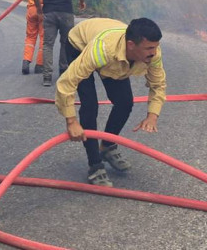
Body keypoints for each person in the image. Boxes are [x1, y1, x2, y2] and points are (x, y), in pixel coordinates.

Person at [54, 17, 166, 187]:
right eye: (149, 48)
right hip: (80, 44)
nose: (154, 52)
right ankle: (95, 165)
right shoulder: (101, 50)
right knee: (90, 105)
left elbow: (158, 85)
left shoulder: (152, 53)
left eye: (155, 47)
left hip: (114, 55)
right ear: (131, 45)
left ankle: (106, 146)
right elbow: (66, 83)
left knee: (125, 103)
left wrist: (152, 116)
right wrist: (71, 121)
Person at [32, 0, 86, 87]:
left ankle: (47, 77)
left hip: (49, 12)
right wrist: (82, 2)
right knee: (66, 42)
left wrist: (39, 8)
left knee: (48, 45)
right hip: (66, 12)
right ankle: (63, 71)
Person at [21, 0, 50, 75]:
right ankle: (39, 65)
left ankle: (26, 62)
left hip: (31, 9)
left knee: (30, 37)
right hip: (43, 9)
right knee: (44, 38)